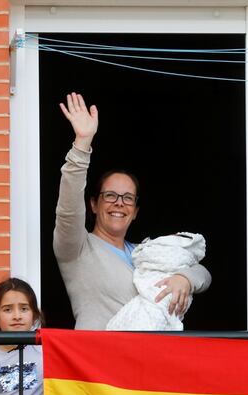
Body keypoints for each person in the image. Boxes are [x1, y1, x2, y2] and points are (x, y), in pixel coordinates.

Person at [53, 92, 211, 330]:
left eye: (127, 198)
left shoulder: (145, 253)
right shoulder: (77, 248)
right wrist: (82, 143)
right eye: (110, 196)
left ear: (135, 211)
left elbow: (202, 273)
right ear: (93, 204)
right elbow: (68, 207)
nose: (119, 203)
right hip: (99, 359)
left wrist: (184, 279)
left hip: (148, 359)